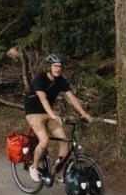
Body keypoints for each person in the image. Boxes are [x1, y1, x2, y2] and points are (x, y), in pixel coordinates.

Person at [7, 47, 94, 183]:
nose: (58, 69)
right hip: (34, 112)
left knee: (64, 141)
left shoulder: (60, 80)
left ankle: (58, 171)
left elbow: (71, 97)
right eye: (55, 66)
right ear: (49, 67)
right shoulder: (39, 79)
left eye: (60, 66)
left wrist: (83, 113)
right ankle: (34, 167)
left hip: (49, 113)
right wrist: (52, 114)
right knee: (44, 140)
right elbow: (43, 99)